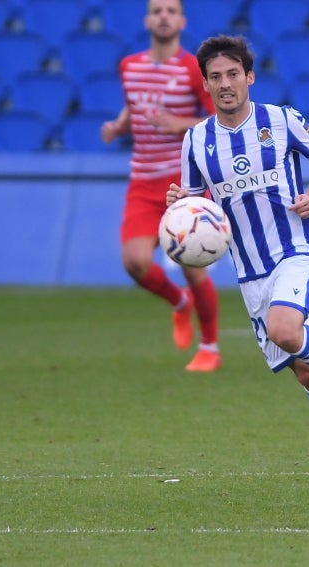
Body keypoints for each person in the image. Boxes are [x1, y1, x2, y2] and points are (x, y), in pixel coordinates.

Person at [165, 35, 309, 474]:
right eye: (216, 77)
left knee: (285, 330)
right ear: (206, 85)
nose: (226, 84)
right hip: (250, 272)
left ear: (249, 77)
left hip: (296, 250)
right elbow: (198, 209)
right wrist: (181, 206)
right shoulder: (195, 141)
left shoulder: (281, 120)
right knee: (307, 373)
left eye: (233, 74)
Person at [101, 0, 221, 372]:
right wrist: (120, 126)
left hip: (182, 181)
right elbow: (136, 108)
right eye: (157, 11)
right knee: (135, 262)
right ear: (147, 20)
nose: (164, 16)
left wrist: (179, 123)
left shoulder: (192, 69)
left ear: (182, 21)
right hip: (142, 180)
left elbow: (217, 119)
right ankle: (180, 302)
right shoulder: (129, 66)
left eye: (171, 10)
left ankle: (210, 347)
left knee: (192, 264)